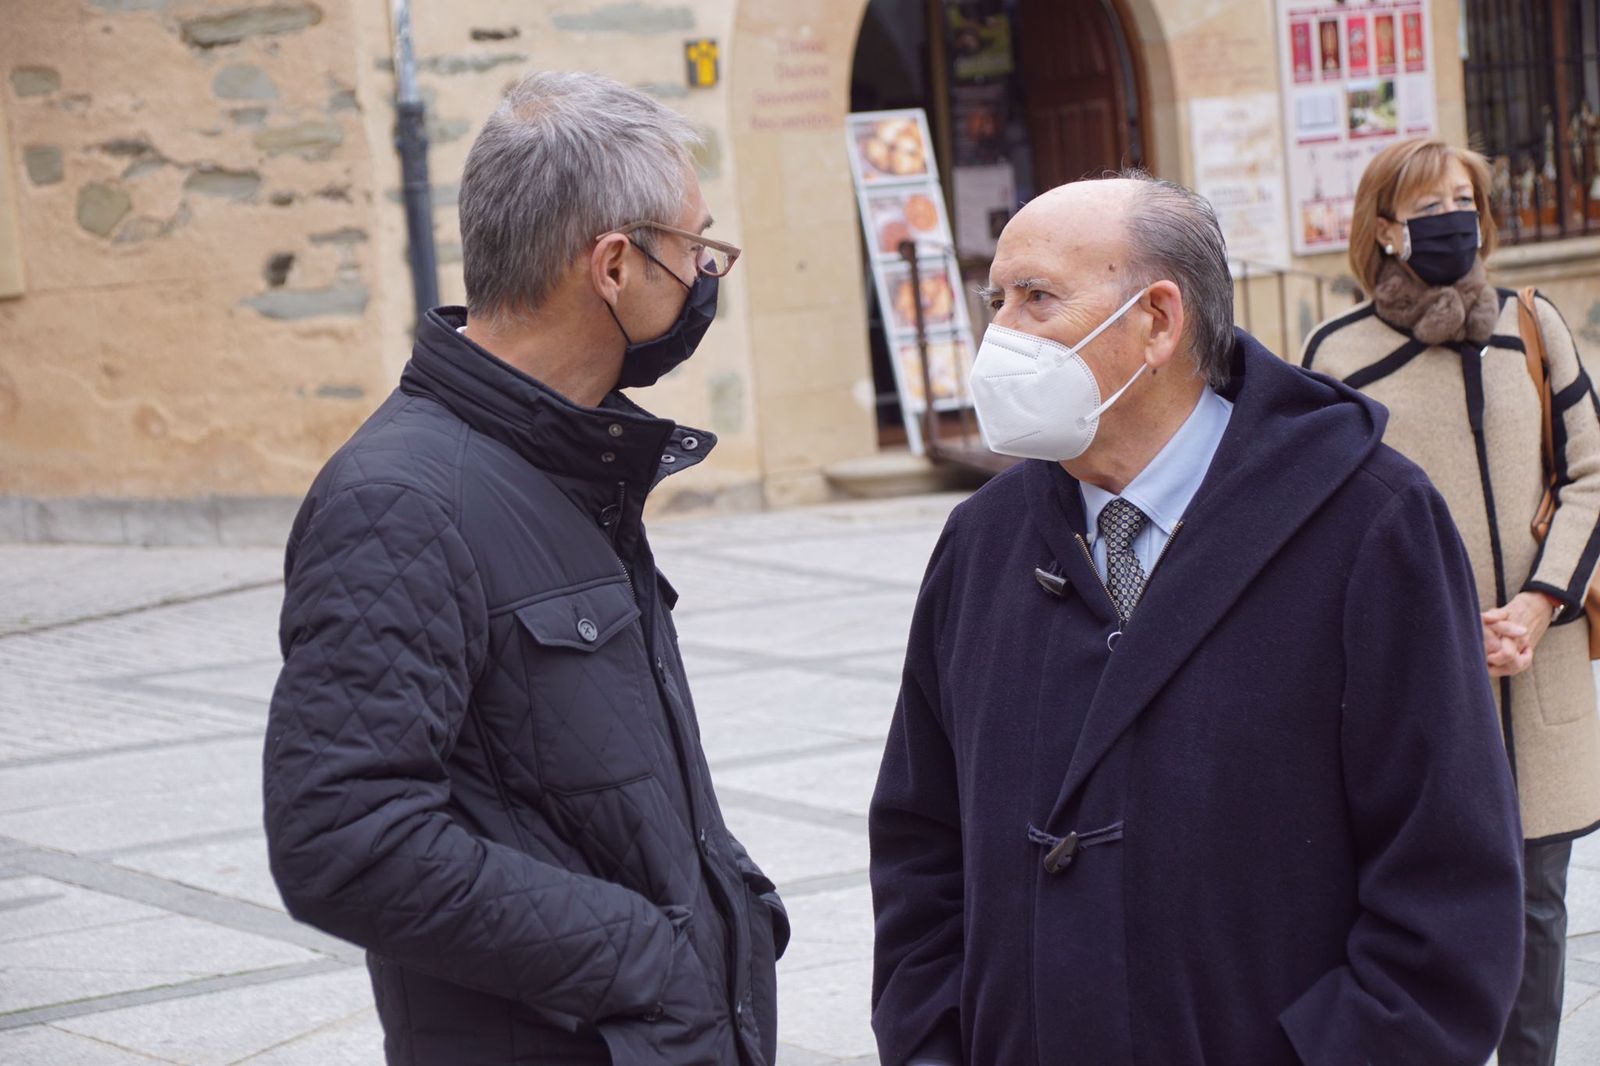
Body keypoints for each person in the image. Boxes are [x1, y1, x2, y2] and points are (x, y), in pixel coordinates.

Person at [869, 171, 1525, 1065]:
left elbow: (1446, 887)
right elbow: (920, 844)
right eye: (997, 302)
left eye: (1036, 299)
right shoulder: (981, 540)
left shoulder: (1370, 525)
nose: (1000, 338)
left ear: (1158, 321)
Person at [262, 71, 785, 1066]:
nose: (707, 275)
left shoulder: (563, 459)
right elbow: (343, 838)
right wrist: (648, 962)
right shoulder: (402, 499)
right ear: (615, 266)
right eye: (695, 249)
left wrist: (731, 915)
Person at [1302, 136, 1600, 1066]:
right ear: (1385, 228)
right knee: (1424, 899)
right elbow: (1316, 526)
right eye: (1429, 207)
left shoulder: (1534, 323)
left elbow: (1592, 473)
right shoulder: (1336, 356)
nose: (1453, 222)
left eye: (1464, 200)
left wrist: (1542, 603)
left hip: (1537, 667)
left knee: (1538, 905)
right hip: (1419, 681)